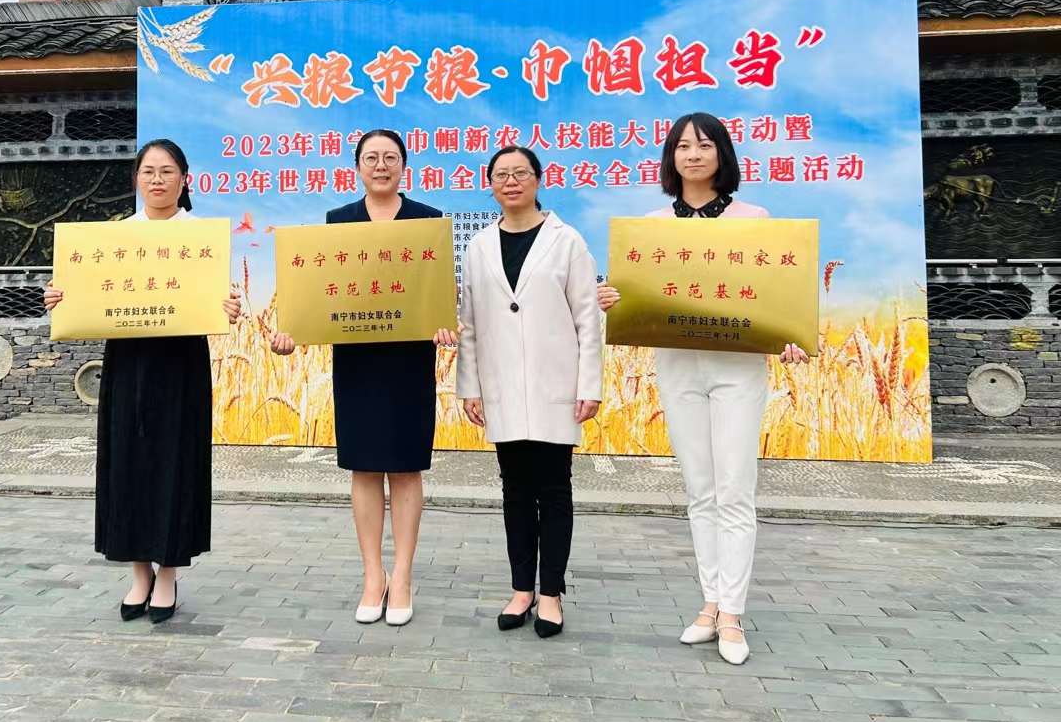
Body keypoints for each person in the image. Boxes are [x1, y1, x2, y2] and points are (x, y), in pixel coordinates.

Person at [597, 112, 808, 664]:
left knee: (735, 489)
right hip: (678, 367)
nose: (693, 154)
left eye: (705, 145)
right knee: (700, 490)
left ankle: (733, 614)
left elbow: (776, 294)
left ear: (722, 154)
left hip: (737, 369)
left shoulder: (753, 220)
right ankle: (710, 603)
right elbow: (640, 297)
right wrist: (614, 299)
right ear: (671, 157)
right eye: (683, 146)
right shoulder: (650, 226)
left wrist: (790, 334)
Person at [43, 139, 241, 622]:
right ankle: (138, 572)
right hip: (128, 359)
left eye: (167, 171)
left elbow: (218, 300)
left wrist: (228, 306)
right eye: (148, 171)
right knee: (128, 460)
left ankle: (168, 572)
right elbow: (86, 297)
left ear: (184, 179)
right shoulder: (116, 239)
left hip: (180, 361)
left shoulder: (201, 238)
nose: (157, 179)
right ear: (136, 179)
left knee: (176, 460)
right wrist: (61, 299)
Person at [269, 129, 456, 627]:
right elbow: (319, 294)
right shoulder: (339, 222)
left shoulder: (427, 220)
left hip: (409, 361)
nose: (381, 165)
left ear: (404, 166)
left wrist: (443, 323)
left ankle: (404, 575)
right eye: (371, 158)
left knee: (407, 468)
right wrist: (293, 333)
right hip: (357, 360)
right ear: (357, 167)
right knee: (365, 468)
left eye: (390, 157)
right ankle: (374, 575)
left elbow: (438, 293)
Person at [456, 146, 602, 639]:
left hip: (555, 384)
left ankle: (552, 594)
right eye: (502, 174)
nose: (511, 181)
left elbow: (588, 319)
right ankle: (522, 589)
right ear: (490, 185)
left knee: (554, 489)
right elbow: (469, 324)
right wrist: (470, 387)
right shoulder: (479, 246)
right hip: (500, 385)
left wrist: (590, 384)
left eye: (521, 172)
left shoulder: (567, 241)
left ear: (538, 180)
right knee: (515, 489)